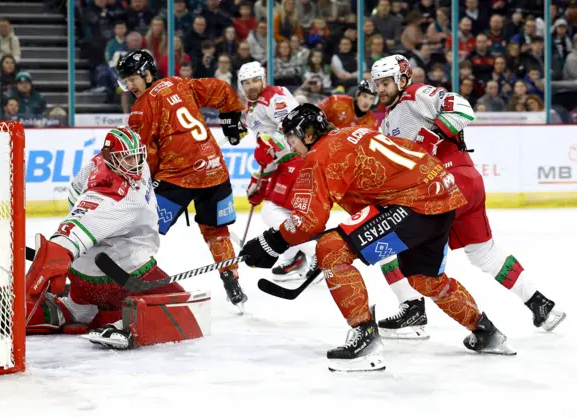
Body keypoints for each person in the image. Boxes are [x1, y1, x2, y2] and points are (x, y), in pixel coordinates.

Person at [239, 104, 515, 372]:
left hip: (413, 204)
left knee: (331, 249)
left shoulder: (319, 156)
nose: (291, 148)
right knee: (424, 278)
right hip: (441, 198)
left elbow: (307, 221)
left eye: (292, 140)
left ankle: (365, 338)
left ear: (308, 135)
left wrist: (270, 242)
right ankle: (485, 332)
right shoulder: (350, 134)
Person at [370, 54, 565, 338]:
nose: (381, 89)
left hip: (445, 184)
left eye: (386, 82)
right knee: (483, 253)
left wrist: (432, 133)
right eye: (377, 84)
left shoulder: (415, 95)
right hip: (467, 182)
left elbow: (462, 108)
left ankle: (413, 309)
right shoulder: (387, 122)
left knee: (387, 243)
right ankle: (541, 304)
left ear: (402, 79)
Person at [25, 127, 208, 349]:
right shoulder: (113, 198)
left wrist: (97, 239)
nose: (135, 163)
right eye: (127, 158)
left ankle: (61, 312)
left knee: (80, 308)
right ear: (111, 157)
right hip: (123, 275)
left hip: (84, 278)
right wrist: (59, 251)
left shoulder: (96, 163)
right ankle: (122, 325)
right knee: (185, 311)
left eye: (137, 156)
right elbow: (76, 227)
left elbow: (75, 196)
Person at [116, 50, 249, 311]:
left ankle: (128, 280)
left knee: (143, 228)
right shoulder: (179, 83)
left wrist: (145, 185)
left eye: (132, 79)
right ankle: (231, 279)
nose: (130, 86)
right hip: (214, 168)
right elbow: (220, 88)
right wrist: (231, 117)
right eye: (126, 81)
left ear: (147, 73)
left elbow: (148, 154)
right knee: (216, 232)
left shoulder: (141, 109)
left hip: (179, 176)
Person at [238, 61, 314, 281]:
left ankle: (316, 253)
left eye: (255, 80)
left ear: (263, 79)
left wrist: (270, 148)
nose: (252, 85)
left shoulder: (274, 97)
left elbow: (295, 129)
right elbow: (267, 150)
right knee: (286, 215)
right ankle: (295, 258)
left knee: (273, 212)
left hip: (299, 160)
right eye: (246, 82)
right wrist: (258, 182)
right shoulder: (252, 108)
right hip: (286, 164)